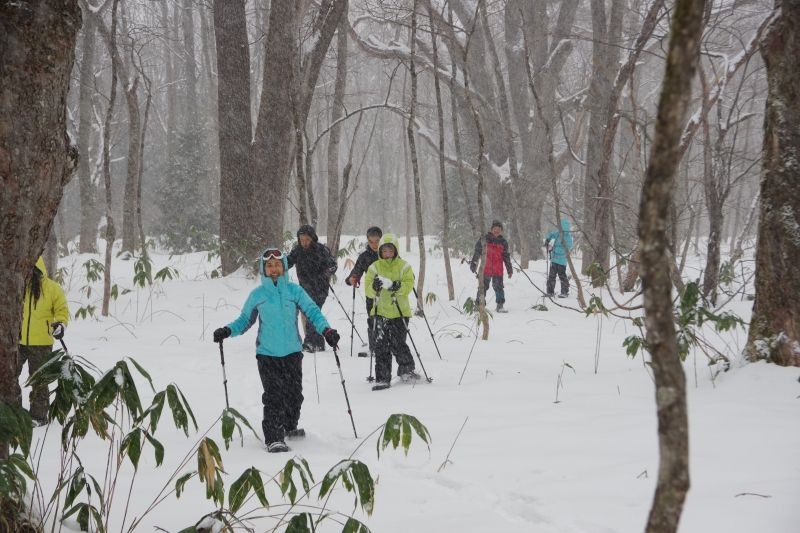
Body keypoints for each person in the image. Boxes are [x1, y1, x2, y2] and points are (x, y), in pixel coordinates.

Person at [213, 247, 340, 453]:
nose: (274, 269)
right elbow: (245, 321)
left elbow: (312, 311)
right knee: (273, 396)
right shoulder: (258, 295)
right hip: (267, 354)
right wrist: (227, 331)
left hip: (292, 352)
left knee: (294, 395)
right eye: (269, 265)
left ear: (284, 267)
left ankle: (289, 426)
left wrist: (327, 330)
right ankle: (274, 437)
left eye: (277, 265)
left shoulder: (294, 291)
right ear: (264, 269)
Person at [18, 257, 69, 425]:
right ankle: (12, 411)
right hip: (16, 341)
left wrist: (60, 324)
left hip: (41, 343)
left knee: (39, 380)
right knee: (7, 376)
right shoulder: (17, 285)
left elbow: (61, 310)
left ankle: (38, 417)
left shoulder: (52, 289)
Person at [363, 233, 418, 391]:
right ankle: (382, 378)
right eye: (384, 251)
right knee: (380, 345)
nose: (387, 254)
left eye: (390, 251)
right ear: (380, 251)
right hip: (380, 311)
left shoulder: (404, 266)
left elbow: (409, 284)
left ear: (395, 251)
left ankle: (406, 369)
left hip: (400, 312)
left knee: (398, 343)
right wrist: (374, 287)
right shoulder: (374, 267)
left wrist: (397, 286)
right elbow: (367, 290)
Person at [287, 225, 337, 352]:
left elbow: (333, 265)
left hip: (320, 288)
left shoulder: (321, 250)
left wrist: (327, 272)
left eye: (307, 239)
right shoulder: (297, 251)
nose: (304, 242)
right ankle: (318, 343)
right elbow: (287, 262)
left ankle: (310, 342)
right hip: (304, 289)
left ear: (312, 238)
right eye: (302, 239)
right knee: (311, 313)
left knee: (312, 313)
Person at [345, 226, 382, 354]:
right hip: (371, 294)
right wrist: (352, 279)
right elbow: (356, 272)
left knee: (390, 320)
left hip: (388, 294)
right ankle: (374, 347)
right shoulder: (364, 257)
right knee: (373, 319)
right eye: (371, 242)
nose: (374, 245)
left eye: (377, 241)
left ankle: (390, 344)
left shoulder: (388, 252)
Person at [469, 220, 513, 313]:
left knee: (499, 288)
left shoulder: (503, 242)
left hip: (498, 270)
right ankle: (479, 305)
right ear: (491, 229)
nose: (496, 231)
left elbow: (506, 257)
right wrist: (474, 263)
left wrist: (509, 269)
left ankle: (500, 305)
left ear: (501, 231)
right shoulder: (484, 239)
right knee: (482, 287)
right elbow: (477, 251)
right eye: (495, 229)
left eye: (499, 229)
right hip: (485, 268)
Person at [544, 218, 574, 298]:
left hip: (562, 260)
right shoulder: (557, 234)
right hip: (554, 259)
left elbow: (566, 248)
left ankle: (564, 292)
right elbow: (550, 234)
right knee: (551, 276)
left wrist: (554, 248)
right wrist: (548, 239)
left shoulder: (568, 237)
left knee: (562, 276)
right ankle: (550, 292)